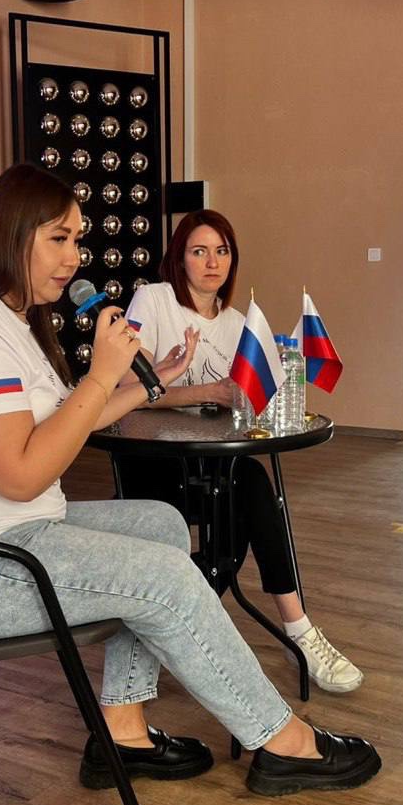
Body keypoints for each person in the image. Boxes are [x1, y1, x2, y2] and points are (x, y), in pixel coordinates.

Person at [0, 164, 380, 796]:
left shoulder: (3, 319)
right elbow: (20, 477)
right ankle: (282, 741)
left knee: (159, 523)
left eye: (77, 240)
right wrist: (99, 375)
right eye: (58, 239)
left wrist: (148, 383)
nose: (73, 258)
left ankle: (124, 730)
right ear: (11, 234)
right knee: (165, 576)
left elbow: (64, 422)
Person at [119, 209, 365, 694]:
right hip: (151, 461)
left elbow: (249, 399)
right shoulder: (155, 299)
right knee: (250, 489)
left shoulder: (237, 324)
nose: (212, 262)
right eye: (199, 251)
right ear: (180, 258)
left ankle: (244, 625)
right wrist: (209, 392)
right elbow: (129, 388)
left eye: (222, 251)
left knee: (248, 490)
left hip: (211, 461)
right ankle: (293, 630)